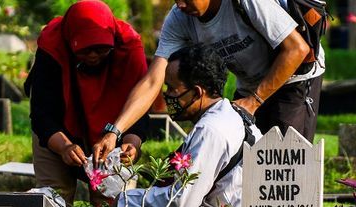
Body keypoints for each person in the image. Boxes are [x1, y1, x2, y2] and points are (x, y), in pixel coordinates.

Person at [94, 0, 323, 164]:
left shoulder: (246, 3)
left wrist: (254, 101)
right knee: (241, 164)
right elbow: (153, 80)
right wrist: (115, 131)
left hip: (294, 81)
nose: (180, 5)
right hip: (250, 86)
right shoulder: (179, 18)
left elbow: (297, 49)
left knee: (284, 166)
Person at [109, 43, 262, 207]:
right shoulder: (231, 114)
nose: (167, 95)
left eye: (172, 88)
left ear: (197, 92)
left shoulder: (211, 130)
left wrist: (127, 200)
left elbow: (183, 201)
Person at [24, 0, 149, 207]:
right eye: (83, 50)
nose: (92, 56)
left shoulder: (128, 47)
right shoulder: (52, 46)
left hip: (113, 136)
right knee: (55, 199)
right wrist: (64, 147)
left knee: (112, 206)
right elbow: (42, 114)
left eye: (101, 49)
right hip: (57, 133)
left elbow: (140, 107)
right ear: (69, 41)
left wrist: (131, 144)